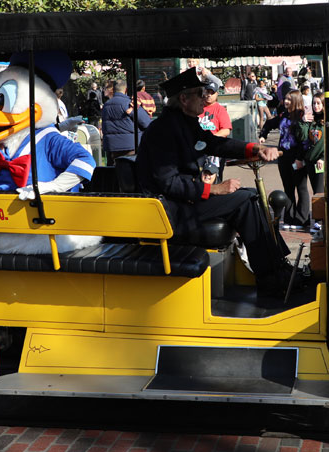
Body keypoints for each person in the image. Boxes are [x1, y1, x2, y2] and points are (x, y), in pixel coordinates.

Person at [135, 68, 293, 297]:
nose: (205, 98)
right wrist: (214, 189)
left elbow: (216, 144)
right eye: (200, 93)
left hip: (186, 202)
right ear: (184, 99)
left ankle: (278, 265)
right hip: (172, 209)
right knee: (246, 199)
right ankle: (270, 277)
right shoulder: (164, 129)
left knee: (252, 196)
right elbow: (168, 183)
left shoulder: (185, 122)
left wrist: (254, 148)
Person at [260, 91, 316, 230]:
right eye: (285, 98)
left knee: (301, 188)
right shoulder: (283, 114)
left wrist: (300, 159)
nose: (286, 101)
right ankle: (290, 218)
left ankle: (302, 220)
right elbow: (270, 123)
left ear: (296, 101)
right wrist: (263, 135)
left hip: (297, 157)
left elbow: (305, 141)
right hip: (283, 156)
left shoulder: (302, 116)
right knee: (288, 188)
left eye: (289, 100)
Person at [101, 79, 152, 161]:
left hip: (112, 147)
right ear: (126, 90)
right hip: (130, 147)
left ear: (113, 90)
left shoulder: (106, 105)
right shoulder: (129, 103)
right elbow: (146, 123)